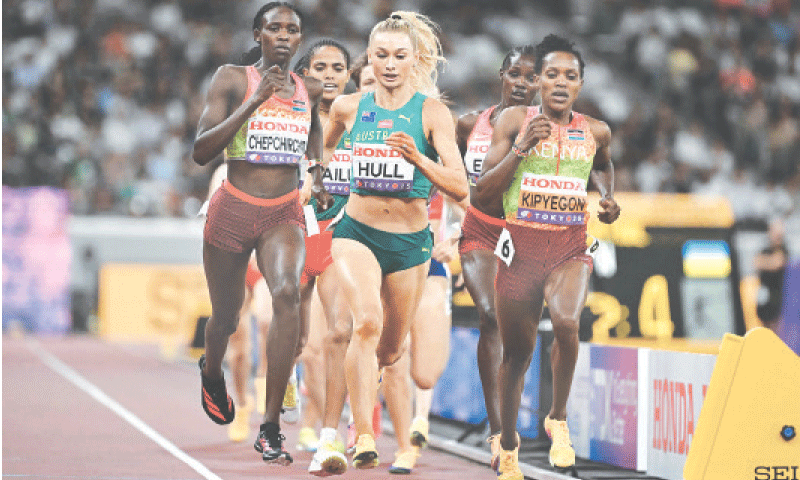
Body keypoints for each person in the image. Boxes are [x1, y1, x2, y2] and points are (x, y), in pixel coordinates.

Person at [321, 11, 468, 470]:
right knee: (365, 321)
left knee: (390, 350)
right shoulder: (348, 107)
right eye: (380, 55)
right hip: (356, 233)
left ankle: (376, 382)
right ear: (369, 57)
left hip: (409, 244)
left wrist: (417, 159)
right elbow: (326, 148)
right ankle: (364, 434)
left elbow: (460, 186)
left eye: (399, 56)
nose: (388, 65)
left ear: (414, 60)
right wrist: (324, 183)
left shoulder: (432, 113)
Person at [191, 1, 332, 466]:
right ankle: (212, 371)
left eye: (293, 29)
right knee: (227, 318)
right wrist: (255, 101)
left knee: (287, 294)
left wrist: (318, 170)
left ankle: (270, 427)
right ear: (258, 35)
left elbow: (312, 131)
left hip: (283, 213)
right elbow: (201, 150)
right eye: (275, 28)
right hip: (233, 208)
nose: (285, 36)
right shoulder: (232, 79)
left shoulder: (307, 89)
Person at [476, 34, 620, 479]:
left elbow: (602, 163)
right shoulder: (513, 120)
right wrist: (522, 147)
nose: (560, 83)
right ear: (537, 80)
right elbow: (482, 192)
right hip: (521, 247)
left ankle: (557, 418)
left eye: (569, 76)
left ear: (580, 84)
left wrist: (607, 196)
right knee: (516, 356)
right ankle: (509, 446)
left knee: (567, 323)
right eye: (552, 74)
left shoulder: (596, 130)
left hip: (569, 245)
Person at [454, 45, 538, 464]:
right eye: (515, 74)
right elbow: (451, 177)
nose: (522, 83)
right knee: (490, 316)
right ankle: (498, 432)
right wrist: (445, 225)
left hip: (526, 238)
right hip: (481, 232)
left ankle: (510, 419)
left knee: (518, 335)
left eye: (531, 77)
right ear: (501, 76)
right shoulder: (470, 124)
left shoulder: (553, 131)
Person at [754, 217, 788, 333]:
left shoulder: (784, 250)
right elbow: (757, 262)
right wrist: (768, 262)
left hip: (778, 298)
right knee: (764, 329)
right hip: (765, 297)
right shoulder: (765, 250)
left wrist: (766, 262)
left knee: (776, 329)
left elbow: (777, 262)